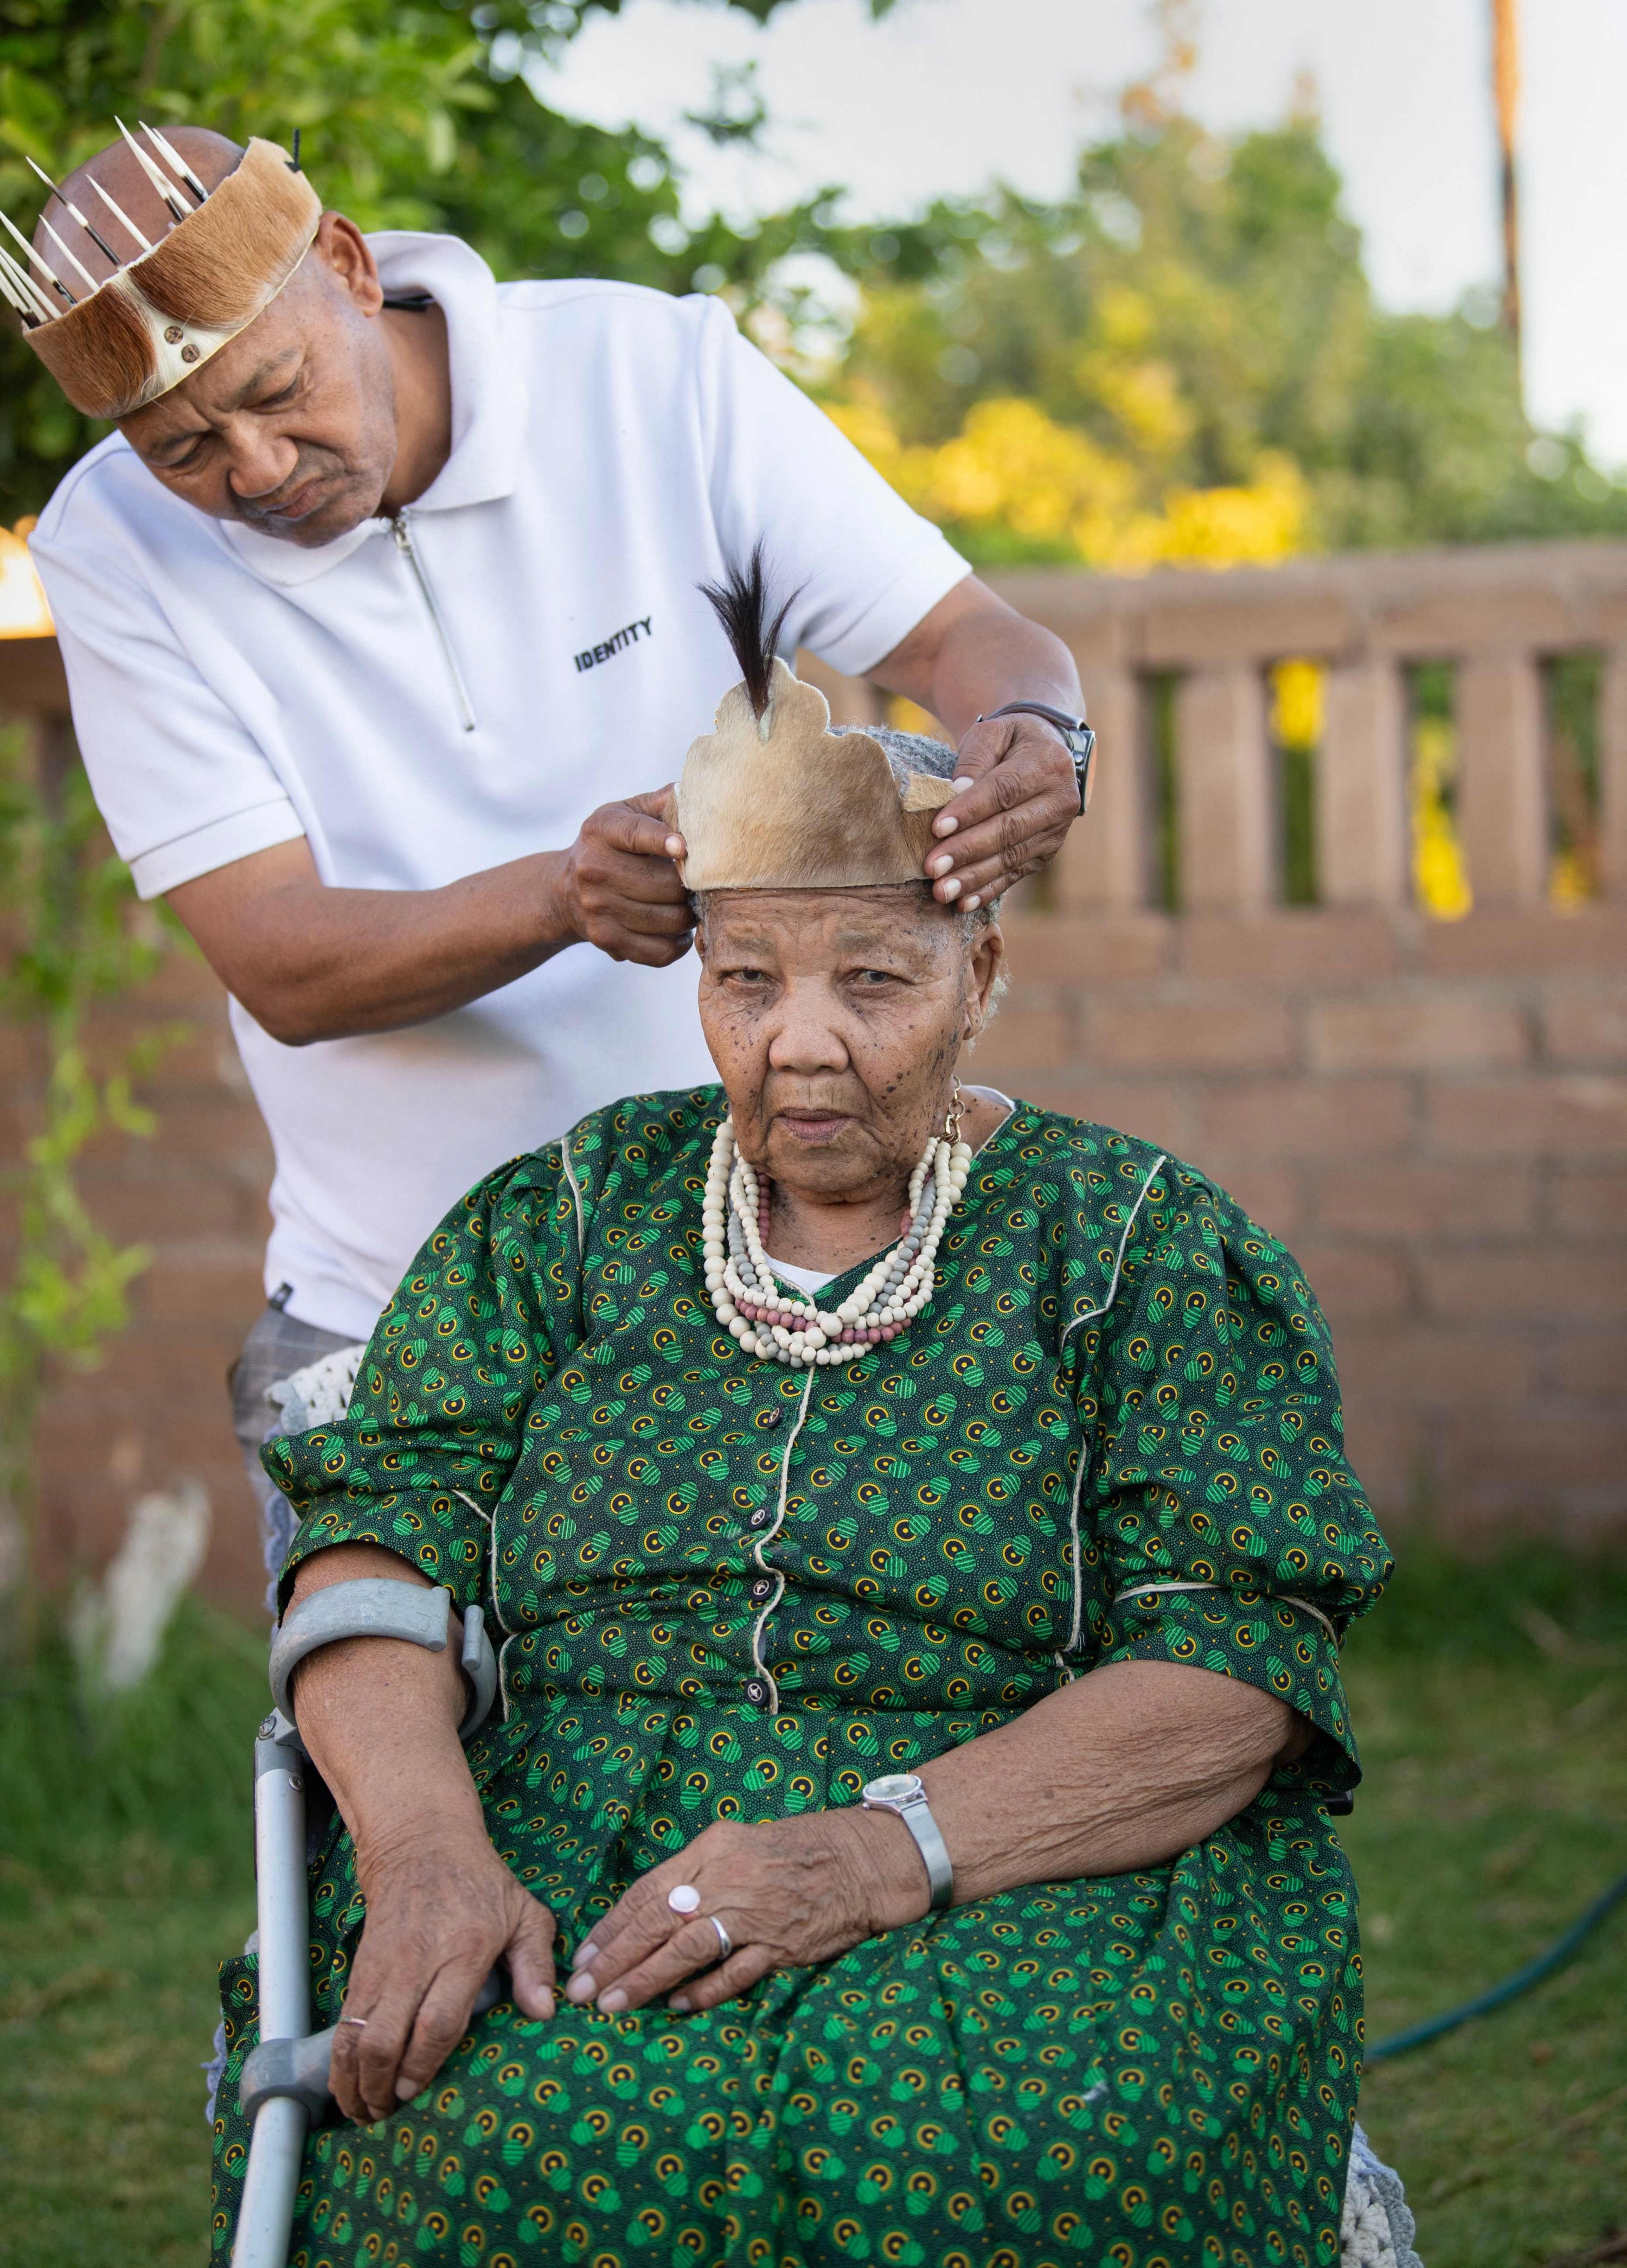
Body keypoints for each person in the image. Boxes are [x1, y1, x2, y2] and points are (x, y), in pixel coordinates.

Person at [209, 586, 1391, 2268]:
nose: (803, 1039)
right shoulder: (561, 1218)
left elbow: (1235, 1668)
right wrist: (424, 1853)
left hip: (1018, 1853)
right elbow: (369, 1552)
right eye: (746, 977)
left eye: (876, 977)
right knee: (500, 2132)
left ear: (983, 970)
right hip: (569, 1860)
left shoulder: (1133, 1242)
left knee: (1034, 2150)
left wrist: (877, 1849)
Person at [9, 122, 1095, 1595]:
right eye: (184, 447)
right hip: (390, 1315)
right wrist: (560, 895)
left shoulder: (656, 381)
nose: (254, 468)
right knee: (401, 1763)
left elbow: (969, 639)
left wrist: (1033, 729)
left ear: (345, 264)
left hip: (774, 1285)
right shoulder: (115, 544)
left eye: (276, 394)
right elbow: (279, 957)